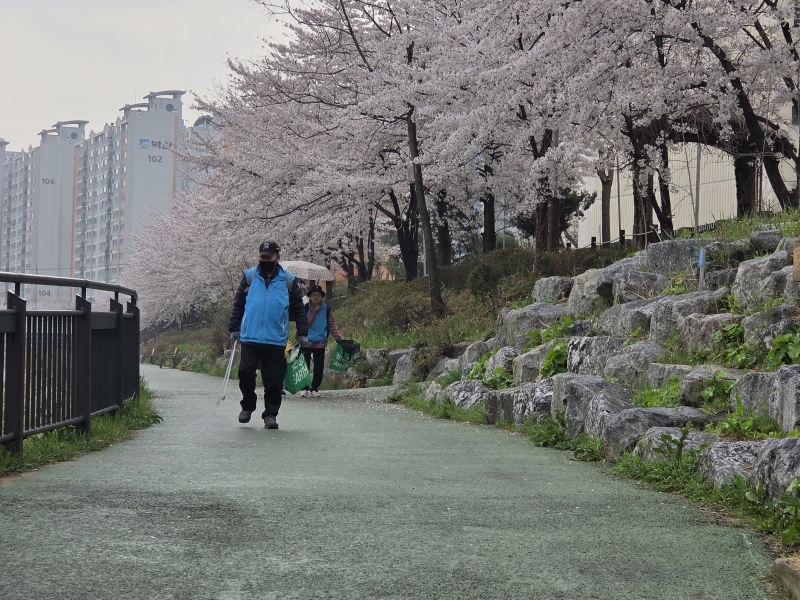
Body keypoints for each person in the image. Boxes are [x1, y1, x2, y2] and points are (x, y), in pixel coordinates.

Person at [229, 241, 308, 429]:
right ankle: (248, 405)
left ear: (277, 257)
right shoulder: (249, 276)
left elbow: (298, 308)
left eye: (268, 257)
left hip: (276, 338)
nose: (264, 260)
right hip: (250, 336)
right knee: (245, 373)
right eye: (262, 257)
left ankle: (270, 415)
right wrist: (234, 328)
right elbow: (238, 304)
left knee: (274, 380)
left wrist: (302, 332)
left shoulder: (288, 280)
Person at [299, 284, 343, 398]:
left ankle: (314, 388)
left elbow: (332, 324)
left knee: (319, 366)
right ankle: (304, 387)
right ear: (310, 296)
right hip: (306, 341)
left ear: (321, 296)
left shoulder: (326, 309)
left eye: (318, 295)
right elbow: (302, 323)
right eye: (313, 295)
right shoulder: (304, 308)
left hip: (320, 342)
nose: (316, 297)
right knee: (304, 366)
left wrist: (339, 338)